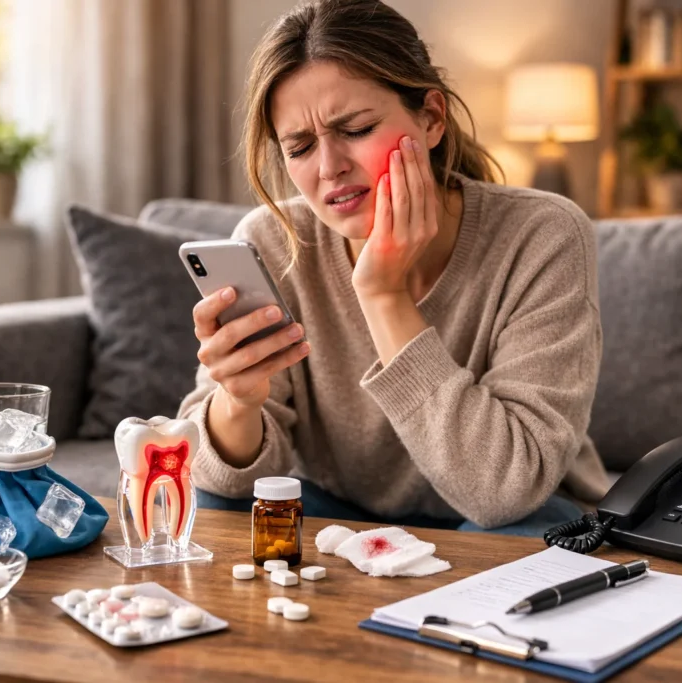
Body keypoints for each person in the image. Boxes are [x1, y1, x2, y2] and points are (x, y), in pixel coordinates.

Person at [177, 0, 609, 536]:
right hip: (342, 507)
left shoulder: (542, 234)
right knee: (213, 506)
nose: (329, 167)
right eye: (301, 147)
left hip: (509, 516)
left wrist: (384, 294)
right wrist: (239, 401)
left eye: (356, 129)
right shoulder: (272, 240)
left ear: (431, 118)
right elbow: (216, 476)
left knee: (515, 537)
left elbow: (503, 492)